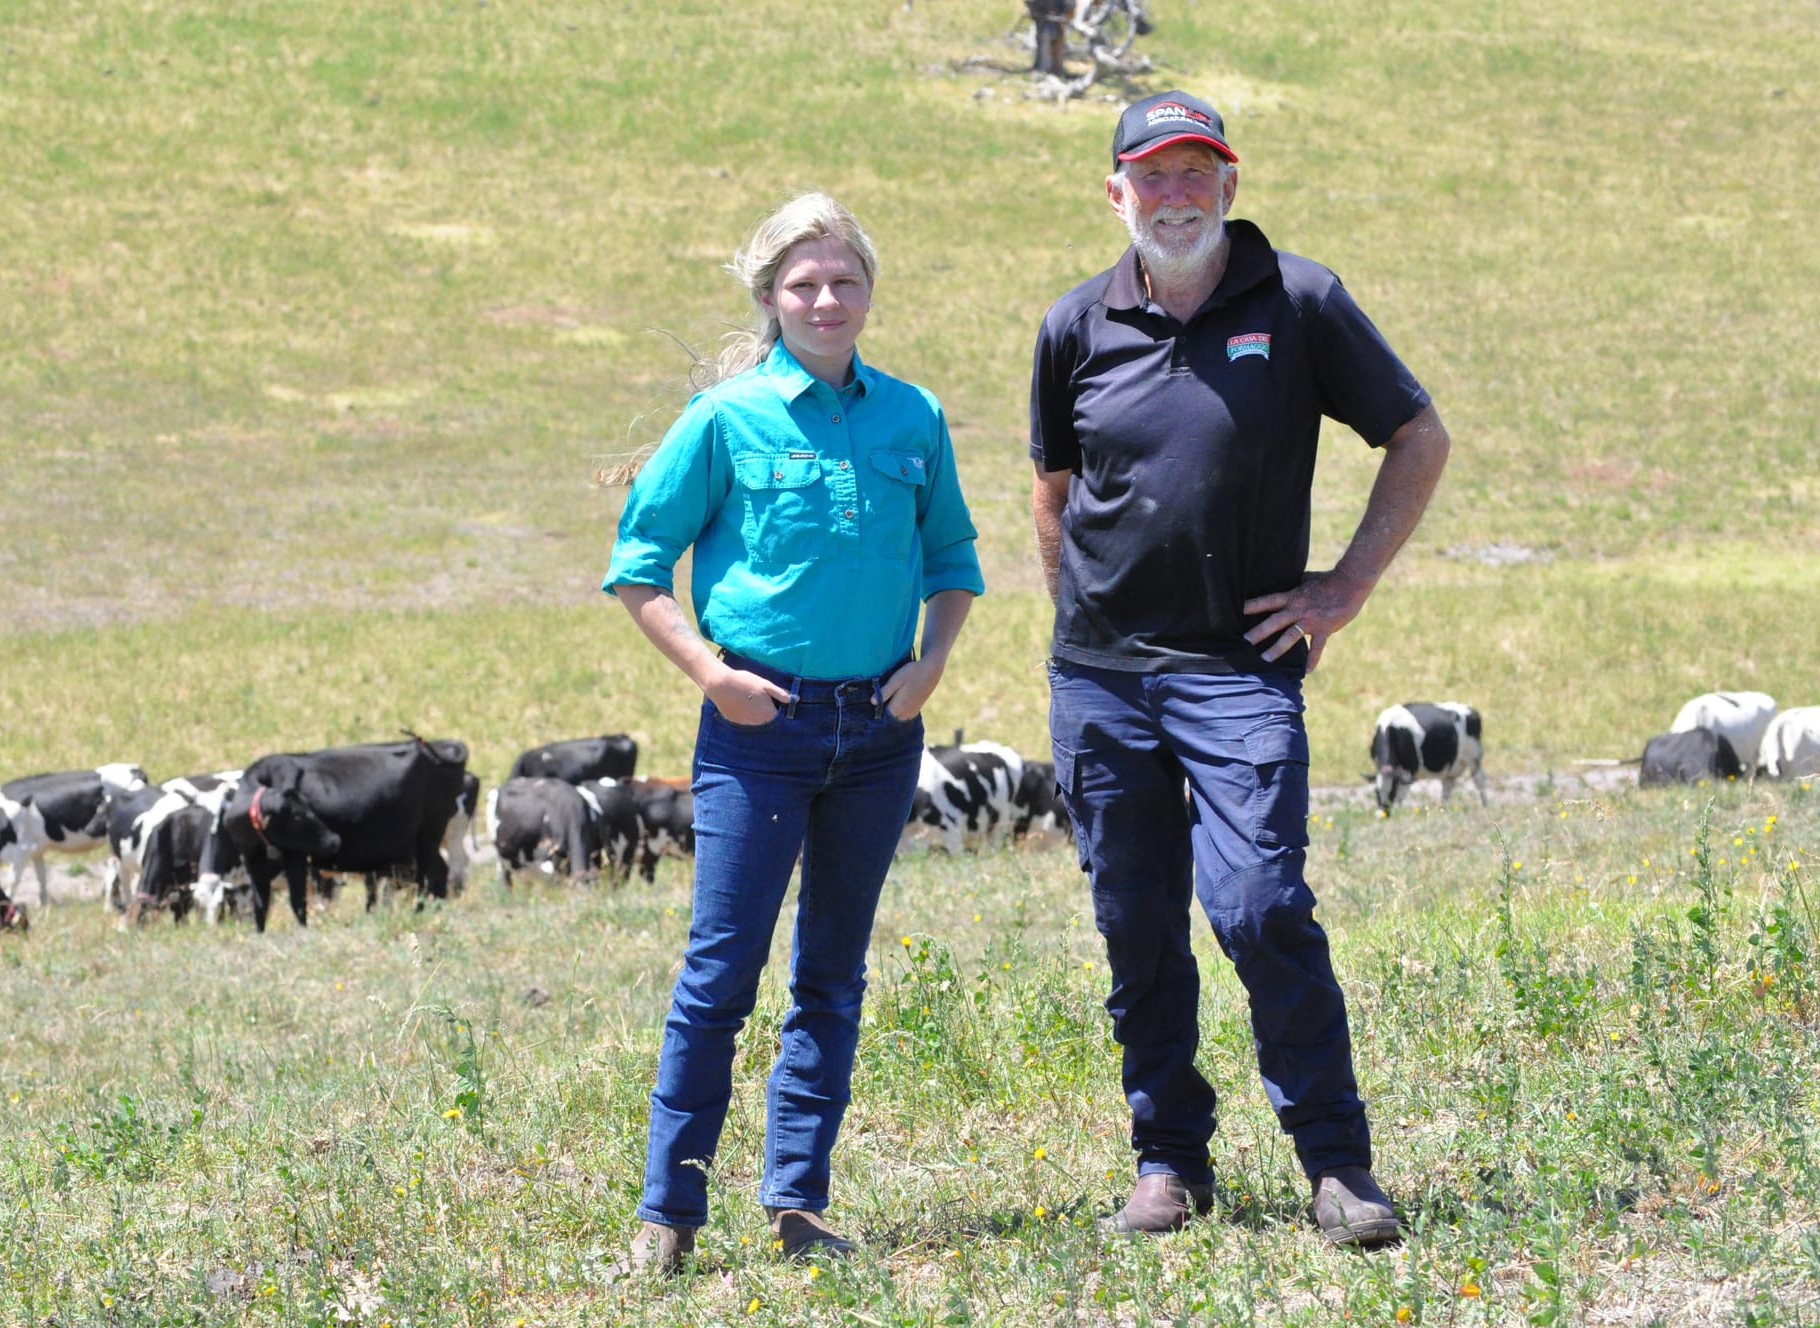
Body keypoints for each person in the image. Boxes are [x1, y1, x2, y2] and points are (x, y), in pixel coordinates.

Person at [1030, 92, 1450, 1245]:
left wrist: (1343, 586)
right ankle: (1167, 1161)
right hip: (1102, 678)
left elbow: (1416, 433)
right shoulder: (1073, 323)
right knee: (1134, 921)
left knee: (1259, 902)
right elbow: (1053, 488)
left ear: (1227, 184)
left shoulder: (1300, 300)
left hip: (1237, 667)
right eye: (1148, 176)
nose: (1171, 195)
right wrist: (1075, 629)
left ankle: (1336, 1162)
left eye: (1192, 173)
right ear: (1113, 190)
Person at [603, 192, 984, 1273]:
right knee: (719, 971)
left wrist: (929, 664)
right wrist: (710, 675)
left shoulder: (914, 415)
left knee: (831, 969)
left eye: (844, 281)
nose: (826, 299)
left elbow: (952, 558)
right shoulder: (726, 417)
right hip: (755, 726)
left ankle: (797, 1199)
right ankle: (667, 1213)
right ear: (771, 298)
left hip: (877, 728)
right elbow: (637, 565)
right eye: (803, 284)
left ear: (868, 293)